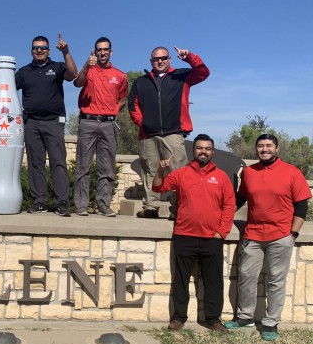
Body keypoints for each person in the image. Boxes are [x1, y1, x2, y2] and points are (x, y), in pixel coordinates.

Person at [225, 134, 312, 341]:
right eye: (261, 146)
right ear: (256, 149)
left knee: (276, 281)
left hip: (281, 236)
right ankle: (245, 316)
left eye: (269, 145)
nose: (265, 149)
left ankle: (271, 322)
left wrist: (293, 234)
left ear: (277, 148)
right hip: (253, 235)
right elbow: (239, 199)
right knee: (246, 277)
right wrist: (219, 217)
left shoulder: (292, 172)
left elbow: (302, 206)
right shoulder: (249, 172)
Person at [152, 135, 235, 332]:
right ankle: (178, 318)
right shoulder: (181, 174)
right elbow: (158, 187)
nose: (203, 151)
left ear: (212, 152)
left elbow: (229, 205)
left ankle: (213, 319)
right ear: (194, 150)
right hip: (184, 236)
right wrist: (161, 169)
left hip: (211, 239)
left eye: (207, 148)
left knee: (213, 281)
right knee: (181, 280)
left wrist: (221, 232)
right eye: (199, 148)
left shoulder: (221, 177)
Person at [128, 46, 210, 218]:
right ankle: (151, 206)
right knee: (150, 170)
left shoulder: (181, 76)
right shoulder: (141, 82)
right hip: (148, 135)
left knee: (178, 171)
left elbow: (203, 73)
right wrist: (144, 123)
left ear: (170, 59)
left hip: (174, 132)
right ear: (151, 61)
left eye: (164, 58)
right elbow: (132, 105)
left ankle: (178, 207)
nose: (160, 61)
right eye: (157, 59)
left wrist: (190, 57)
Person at [15, 34, 78, 216]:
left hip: (54, 122)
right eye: (36, 48)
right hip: (31, 123)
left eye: (42, 48)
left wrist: (66, 52)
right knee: (36, 163)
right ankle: (39, 201)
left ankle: (62, 202)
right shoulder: (24, 72)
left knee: (58, 162)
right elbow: (9, 88)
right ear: (31, 51)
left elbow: (73, 74)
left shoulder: (57, 67)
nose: (39, 50)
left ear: (49, 50)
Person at [73, 37, 129, 217]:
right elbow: (78, 82)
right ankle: (81, 205)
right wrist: (85, 66)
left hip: (108, 124)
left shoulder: (120, 75)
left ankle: (103, 204)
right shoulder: (89, 69)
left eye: (105, 49)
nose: (102, 52)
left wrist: (114, 110)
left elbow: (123, 99)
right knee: (83, 165)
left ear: (111, 52)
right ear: (95, 52)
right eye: (99, 49)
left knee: (107, 167)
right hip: (87, 122)